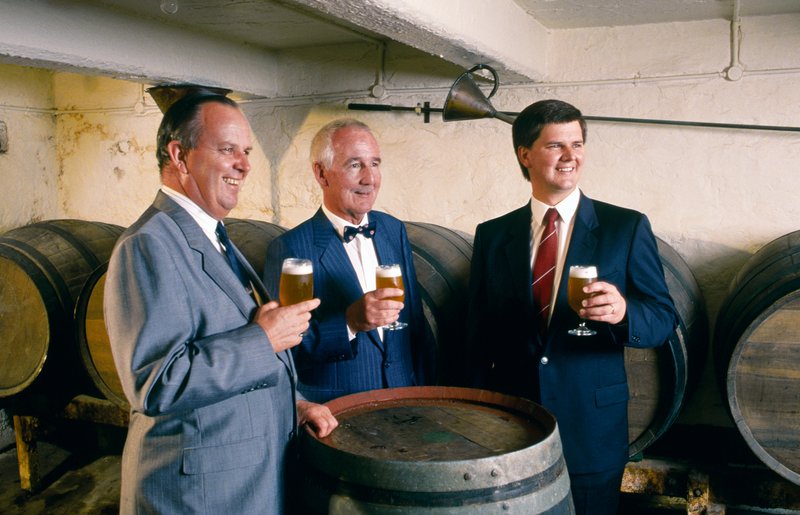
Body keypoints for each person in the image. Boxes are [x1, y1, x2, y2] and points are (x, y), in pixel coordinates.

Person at [104, 91, 337, 514]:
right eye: (227, 149)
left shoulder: (214, 236)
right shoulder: (149, 244)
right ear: (179, 155)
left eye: (246, 151)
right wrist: (262, 340)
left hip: (241, 483)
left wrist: (294, 404)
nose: (245, 164)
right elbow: (157, 383)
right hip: (196, 495)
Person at [465, 99, 678, 515]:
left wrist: (623, 313)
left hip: (592, 430)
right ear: (524, 154)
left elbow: (663, 319)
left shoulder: (625, 227)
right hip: (512, 428)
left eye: (577, 144)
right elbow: (477, 337)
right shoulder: (492, 235)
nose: (570, 157)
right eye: (555, 146)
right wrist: (473, 422)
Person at [263, 118, 435, 403]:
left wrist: (425, 393)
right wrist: (350, 322)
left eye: (375, 164)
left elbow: (414, 323)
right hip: (339, 409)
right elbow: (284, 351)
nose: (369, 179)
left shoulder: (393, 229)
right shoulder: (289, 247)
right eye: (355, 165)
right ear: (321, 174)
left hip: (405, 400)